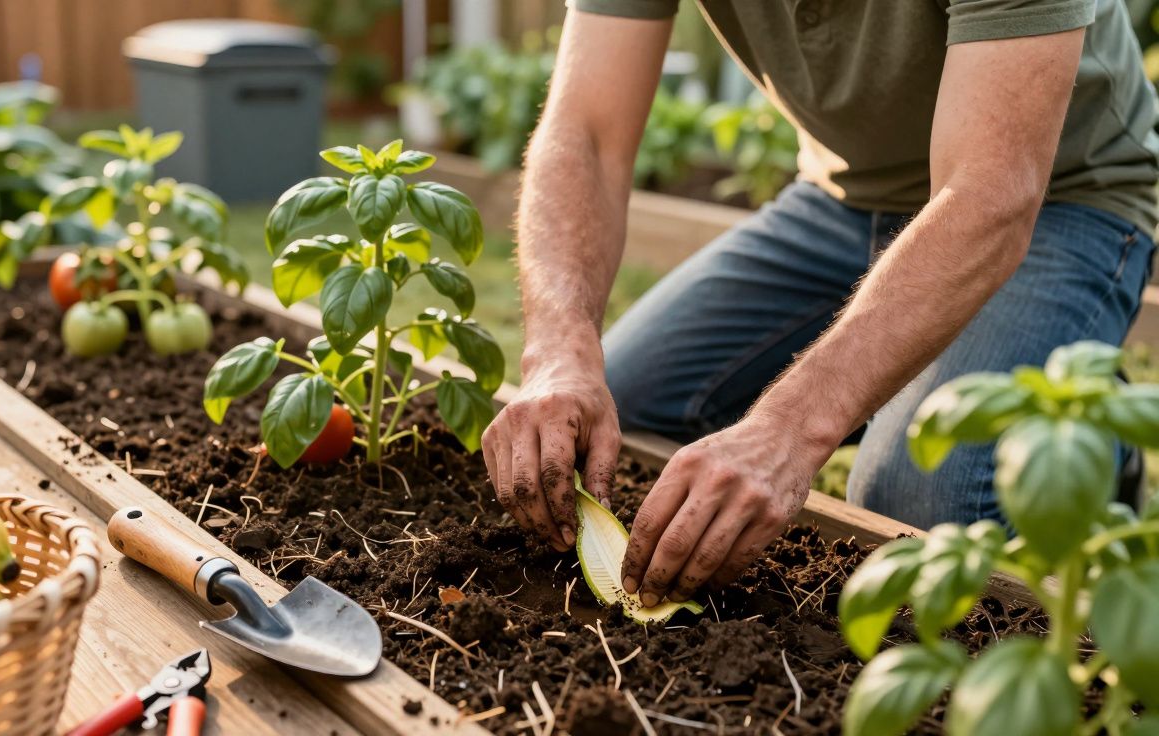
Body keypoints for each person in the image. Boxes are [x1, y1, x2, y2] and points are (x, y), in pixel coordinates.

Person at [481, 0, 1159, 609]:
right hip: (843, 197)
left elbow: (992, 193)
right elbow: (588, 134)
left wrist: (790, 428)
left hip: (1057, 197)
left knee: (915, 501)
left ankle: (1082, 433)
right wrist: (560, 351)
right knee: (620, 414)